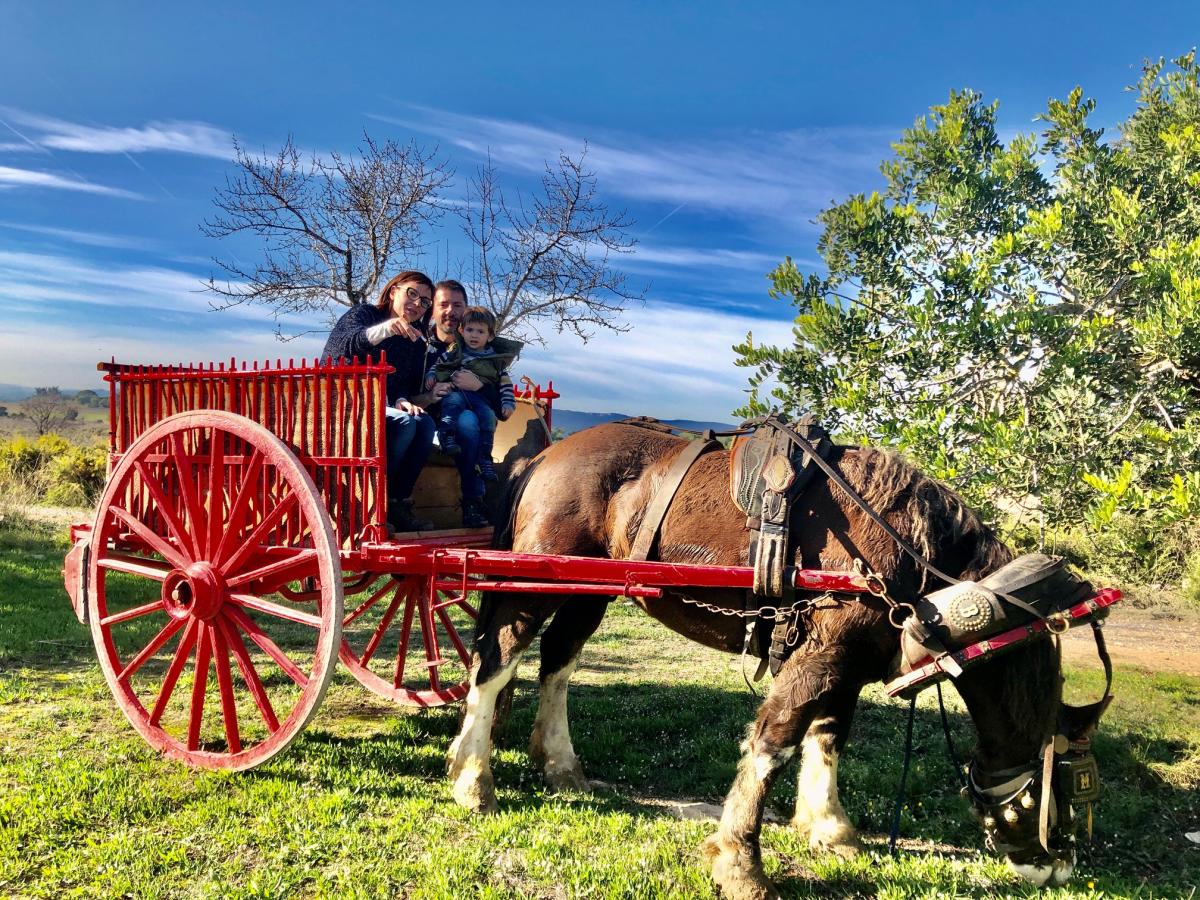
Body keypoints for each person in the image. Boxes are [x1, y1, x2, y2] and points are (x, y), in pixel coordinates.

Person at [322, 271, 451, 533]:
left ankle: (397, 502)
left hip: (379, 407)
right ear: (394, 291)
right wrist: (387, 329)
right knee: (405, 424)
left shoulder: (413, 341)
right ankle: (375, 502)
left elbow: (399, 385)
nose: (417, 304)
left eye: (425, 302)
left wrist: (403, 399)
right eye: (412, 294)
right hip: (341, 406)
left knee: (423, 424)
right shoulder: (364, 314)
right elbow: (347, 345)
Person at [424, 281, 507, 528]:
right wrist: (430, 393)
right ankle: (473, 498)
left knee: (470, 420)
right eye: (444, 304)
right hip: (428, 423)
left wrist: (478, 385)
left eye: (457, 305)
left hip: (468, 421)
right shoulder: (423, 347)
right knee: (467, 421)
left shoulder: (483, 351)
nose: (450, 310)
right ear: (433, 310)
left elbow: (500, 409)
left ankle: (473, 500)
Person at [426, 306, 519, 488]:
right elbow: (439, 365)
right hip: (458, 393)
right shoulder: (456, 352)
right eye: (469, 330)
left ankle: (485, 457)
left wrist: (508, 402)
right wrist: (432, 376)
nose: (474, 335)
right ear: (461, 330)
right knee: (453, 402)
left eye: (480, 331)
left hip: (481, 401)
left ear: (490, 336)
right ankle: (446, 434)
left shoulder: (495, 361)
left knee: (488, 419)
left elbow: (505, 384)